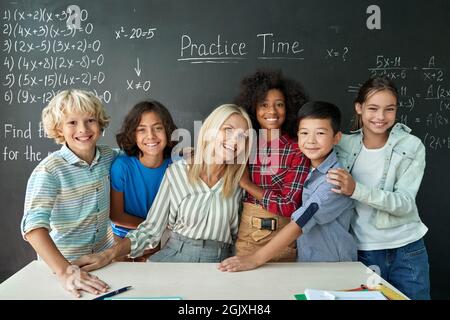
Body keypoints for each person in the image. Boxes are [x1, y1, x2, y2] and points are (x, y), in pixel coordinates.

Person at [73, 104, 253, 270]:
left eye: (242, 136)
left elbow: (244, 234)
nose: (235, 141)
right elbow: (151, 229)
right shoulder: (177, 172)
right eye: (228, 130)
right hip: (177, 256)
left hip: (223, 263)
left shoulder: (241, 181)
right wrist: (107, 255)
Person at [218, 101, 356, 272]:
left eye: (320, 133)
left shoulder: (336, 180)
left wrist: (255, 258)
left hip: (333, 267)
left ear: (336, 138)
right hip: (306, 262)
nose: (311, 140)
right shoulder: (307, 169)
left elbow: (301, 221)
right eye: (304, 133)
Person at [327, 76, 430, 300]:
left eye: (389, 109)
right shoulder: (342, 144)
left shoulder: (411, 146)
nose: (381, 117)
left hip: (408, 250)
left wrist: (356, 190)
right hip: (363, 250)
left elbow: (404, 203)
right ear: (359, 108)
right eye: (373, 108)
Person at [20, 89, 116, 297]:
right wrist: (64, 271)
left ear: (100, 124)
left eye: (90, 120)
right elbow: (33, 227)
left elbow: (145, 156)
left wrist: (179, 153)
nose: (83, 129)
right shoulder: (49, 170)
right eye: (72, 122)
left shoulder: (110, 157)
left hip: (103, 262)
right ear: (59, 128)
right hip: (62, 268)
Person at [233, 69, 310, 261]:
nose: (272, 112)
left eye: (279, 105)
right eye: (264, 105)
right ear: (253, 108)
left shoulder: (297, 149)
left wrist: (248, 185)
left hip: (283, 237)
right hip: (247, 234)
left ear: (289, 108)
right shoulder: (245, 143)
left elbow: (289, 205)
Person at [110, 100, 177, 261]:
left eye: (158, 128)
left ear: (168, 132)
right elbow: (116, 215)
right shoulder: (122, 166)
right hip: (123, 238)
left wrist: (158, 232)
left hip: (163, 239)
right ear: (132, 134)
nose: (151, 136)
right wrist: (153, 227)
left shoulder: (177, 165)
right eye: (141, 130)